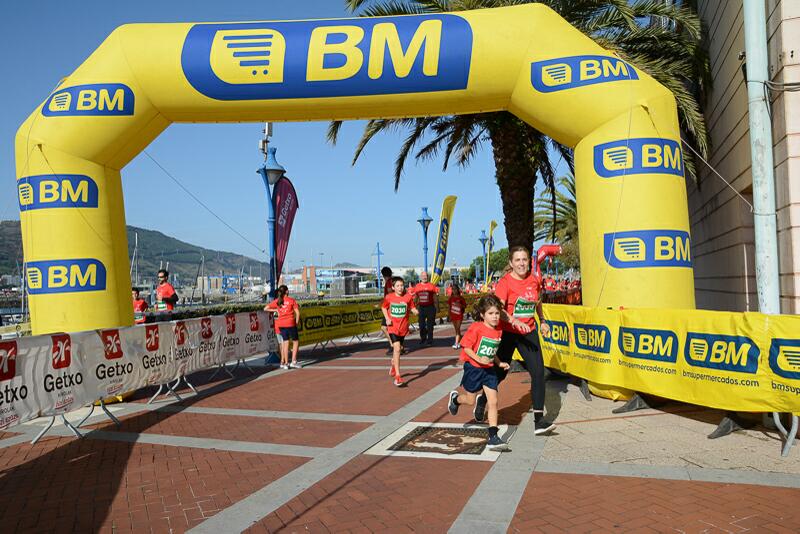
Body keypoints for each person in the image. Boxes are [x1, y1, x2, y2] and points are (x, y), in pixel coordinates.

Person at [478, 246, 555, 436]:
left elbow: (537, 302)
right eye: (518, 260)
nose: (521, 263)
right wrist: (513, 320)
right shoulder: (505, 283)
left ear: (529, 261)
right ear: (511, 263)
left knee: (538, 372)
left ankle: (539, 421)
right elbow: (498, 309)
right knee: (500, 374)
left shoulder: (534, 280)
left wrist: (542, 321)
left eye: (524, 259)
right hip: (507, 332)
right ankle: (482, 399)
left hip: (528, 331)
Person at [447, 294, 510, 451]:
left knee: (494, 401)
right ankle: (455, 400)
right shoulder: (476, 327)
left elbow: (492, 350)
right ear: (482, 315)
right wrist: (479, 359)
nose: (495, 317)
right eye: (491, 313)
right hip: (474, 369)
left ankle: (493, 436)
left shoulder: (499, 330)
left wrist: (499, 362)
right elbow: (466, 347)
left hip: (488, 370)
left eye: (497, 313)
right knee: (470, 400)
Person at [382, 276, 418, 387]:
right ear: (393, 287)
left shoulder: (408, 297)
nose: (400, 287)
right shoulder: (389, 297)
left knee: (399, 349)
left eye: (402, 285)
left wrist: (416, 311)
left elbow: (412, 308)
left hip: (403, 329)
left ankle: (393, 364)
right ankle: (398, 376)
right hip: (392, 327)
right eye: (397, 286)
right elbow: (383, 307)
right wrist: (387, 318)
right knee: (397, 348)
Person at [265, 285, 301, 369]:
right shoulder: (292, 300)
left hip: (281, 324)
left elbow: (265, 308)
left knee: (285, 342)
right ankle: (294, 361)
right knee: (295, 341)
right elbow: (298, 313)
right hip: (291, 323)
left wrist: (275, 310)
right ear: (287, 291)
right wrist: (296, 322)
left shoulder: (277, 301)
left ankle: (285, 363)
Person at [412, 271, 439, 346]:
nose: (424, 277)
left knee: (430, 325)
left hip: (430, 307)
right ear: (420, 277)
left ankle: (430, 340)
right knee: (421, 325)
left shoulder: (431, 286)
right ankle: (423, 338)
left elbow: (435, 297)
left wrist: (437, 307)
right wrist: (413, 306)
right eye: (423, 276)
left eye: (426, 276)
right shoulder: (417, 286)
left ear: (428, 277)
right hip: (421, 308)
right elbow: (416, 297)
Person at [448, 285, 467, 349]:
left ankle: (456, 343)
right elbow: (449, 307)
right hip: (453, 315)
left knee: (458, 328)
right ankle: (462, 341)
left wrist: (460, 305)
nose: (454, 290)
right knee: (456, 330)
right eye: (453, 289)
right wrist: (449, 315)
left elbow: (465, 306)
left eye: (455, 289)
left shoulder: (461, 298)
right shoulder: (451, 298)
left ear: (458, 290)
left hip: (459, 315)